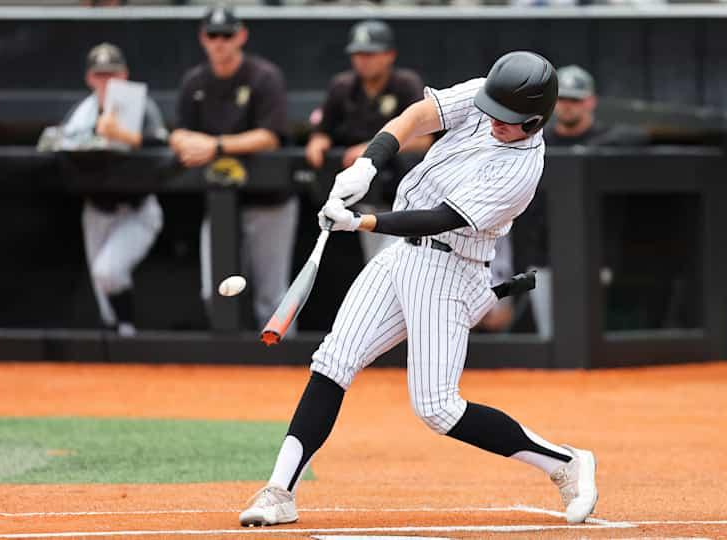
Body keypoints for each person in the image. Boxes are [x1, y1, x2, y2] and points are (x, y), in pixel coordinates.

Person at [239, 51, 598, 527]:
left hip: (450, 270)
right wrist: (367, 164)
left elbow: (441, 218)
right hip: (402, 256)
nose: (493, 120)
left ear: (534, 120)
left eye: (507, 119)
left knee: (437, 408)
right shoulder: (488, 96)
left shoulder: (521, 171)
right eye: (493, 110)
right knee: (332, 361)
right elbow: (417, 116)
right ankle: (279, 491)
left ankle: (565, 462)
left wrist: (362, 221)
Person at [169, 6, 294, 330]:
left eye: (227, 35)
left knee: (272, 298)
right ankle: (228, 358)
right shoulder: (195, 81)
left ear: (241, 36)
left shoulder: (264, 77)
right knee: (215, 292)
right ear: (203, 38)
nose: (220, 42)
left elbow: (270, 136)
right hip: (221, 203)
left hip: (269, 202)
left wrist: (215, 146)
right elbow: (178, 132)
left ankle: (281, 359)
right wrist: (186, 142)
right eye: (213, 35)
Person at [517, 64, 649, 338]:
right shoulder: (539, 140)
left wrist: (583, 153)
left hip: (593, 253)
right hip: (543, 254)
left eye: (575, 100)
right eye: (563, 99)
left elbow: (640, 135)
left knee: (589, 337)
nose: (568, 106)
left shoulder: (607, 137)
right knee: (550, 336)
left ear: (590, 102)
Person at [59, 42, 167, 336]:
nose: (107, 81)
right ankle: (116, 343)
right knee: (102, 291)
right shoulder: (83, 113)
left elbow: (163, 150)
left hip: (137, 209)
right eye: (100, 75)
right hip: (97, 210)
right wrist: (90, 138)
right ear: (89, 78)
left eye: (112, 74)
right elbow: (61, 147)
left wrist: (123, 135)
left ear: (124, 74)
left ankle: (127, 334)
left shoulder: (142, 106)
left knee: (108, 271)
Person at [305, 20, 433, 262]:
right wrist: (318, 141)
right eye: (358, 54)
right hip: (366, 191)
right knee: (376, 260)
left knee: (405, 258)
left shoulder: (406, 84)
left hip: (406, 190)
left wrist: (372, 150)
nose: (363, 61)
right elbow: (323, 131)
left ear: (389, 55)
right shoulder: (343, 86)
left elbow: (424, 140)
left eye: (371, 54)